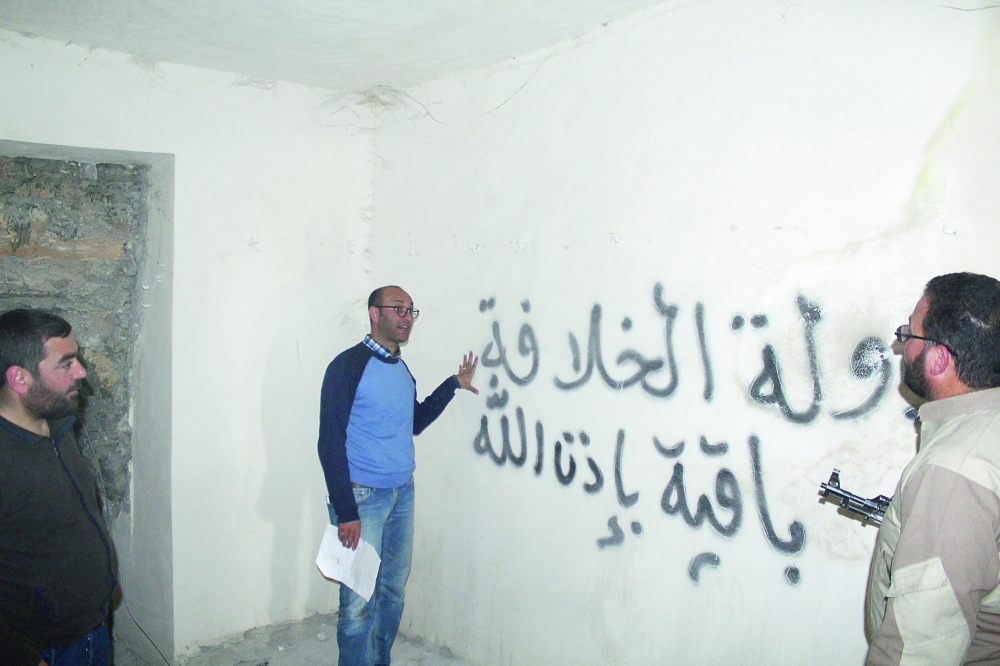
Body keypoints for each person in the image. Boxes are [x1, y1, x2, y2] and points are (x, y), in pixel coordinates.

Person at [318, 286, 478, 666]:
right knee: (357, 602)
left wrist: (453, 384)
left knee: (392, 591)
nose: (407, 317)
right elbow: (329, 442)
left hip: (401, 494)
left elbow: (415, 420)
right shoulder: (347, 366)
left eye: (410, 311)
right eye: (398, 309)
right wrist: (346, 511)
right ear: (374, 313)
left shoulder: (402, 370)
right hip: (362, 499)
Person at [866, 272, 1000, 665]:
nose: (902, 345)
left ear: (939, 358)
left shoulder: (954, 470)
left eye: (909, 334)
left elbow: (920, 646)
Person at [0, 309, 116, 666]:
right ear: (20, 379)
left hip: (93, 624)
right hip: (44, 649)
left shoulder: (60, 423)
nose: (81, 371)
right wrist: (21, 658)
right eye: (66, 363)